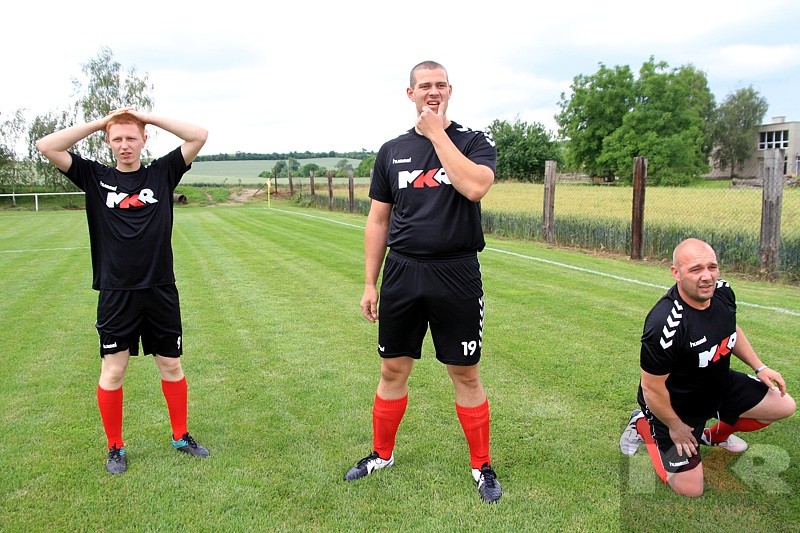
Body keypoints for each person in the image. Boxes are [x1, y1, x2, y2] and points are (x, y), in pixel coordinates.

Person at [343, 61, 502, 503]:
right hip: (403, 272)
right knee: (392, 368)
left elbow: (475, 187)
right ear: (410, 93)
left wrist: (436, 134)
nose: (433, 91)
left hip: (456, 272)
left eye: (440, 85)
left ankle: (481, 465)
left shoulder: (474, 141)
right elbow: (378, 219)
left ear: (450, 90)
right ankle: (381, 454)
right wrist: (370, 282)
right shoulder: (392, 151)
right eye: (424, 86)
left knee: (465, 373)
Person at [36, 109, 210, 474]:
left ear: (144, 140)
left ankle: (181, 436)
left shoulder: (162, 173)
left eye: (131, 137)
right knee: (114, 370)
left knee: (171, 365)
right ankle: (115, 446)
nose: (125, 145)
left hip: (160, 288)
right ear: (108, 142)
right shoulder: (95, 177)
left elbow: (198, 135)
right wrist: (103, 122)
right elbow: (47, 145)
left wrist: (146, 117)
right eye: (117, 139)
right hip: (117, 292)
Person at [619, 238, 796, 497]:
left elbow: (729, 328)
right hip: (678, 404)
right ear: (676, 273)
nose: (707, 276)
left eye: (712, 267)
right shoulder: (665, 324)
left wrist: (760, 367)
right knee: (690, 489)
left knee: (784, 405)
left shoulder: (723, 292)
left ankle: (712, 436)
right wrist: (675, 426)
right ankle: (643, 424)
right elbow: (651, 388)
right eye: (695, 269)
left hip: (718, 385)